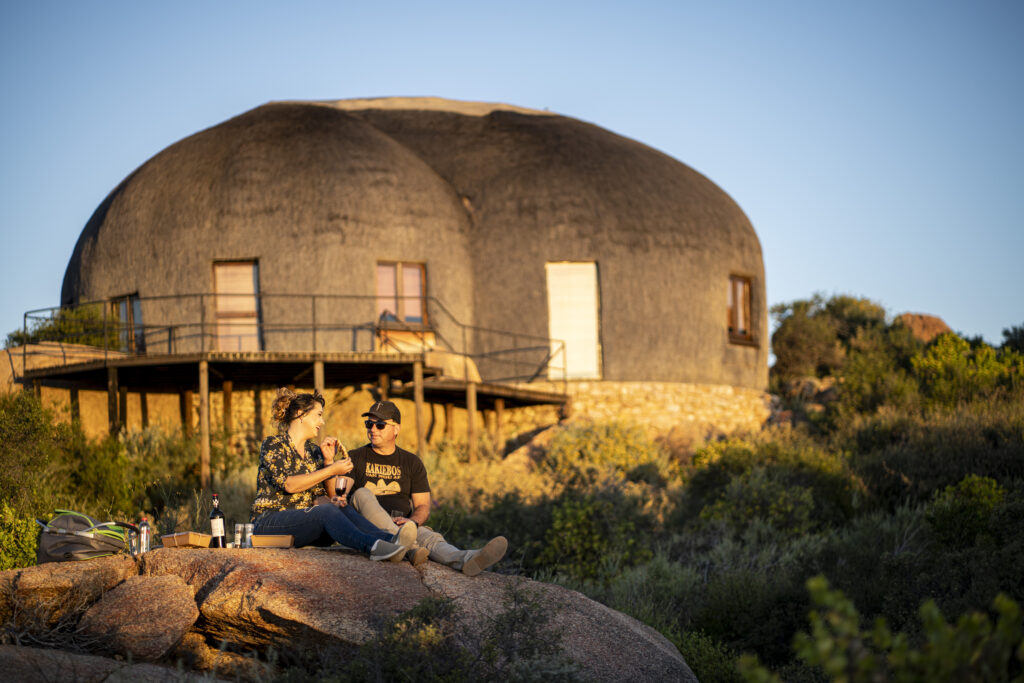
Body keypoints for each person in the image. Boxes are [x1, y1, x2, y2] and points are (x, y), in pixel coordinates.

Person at [328, 400, 507, 576]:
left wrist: (413, 522)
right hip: (369, 525)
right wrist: (331, 467)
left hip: (402, 524)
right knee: (361, 494)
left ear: (396, 429)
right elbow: (340, 491)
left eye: (380, 425)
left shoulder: (412, 462)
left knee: (430, 538)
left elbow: (423, 506)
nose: (373, 429)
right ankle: (408, 547)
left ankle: (467, 558)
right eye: (369, 424)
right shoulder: (356, 457)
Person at [250, 388, 417, 561]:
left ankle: (391, 541)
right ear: (301, 414)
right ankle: (374, 547)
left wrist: (329, 463)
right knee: (327, 511)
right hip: (269, 522)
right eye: (318, 415)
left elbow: (321, 498)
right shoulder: (274, 444)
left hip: (305, 523)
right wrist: (331, 470)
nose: (321, 422)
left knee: (339, 508)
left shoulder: (313, 452)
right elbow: (289, 484)